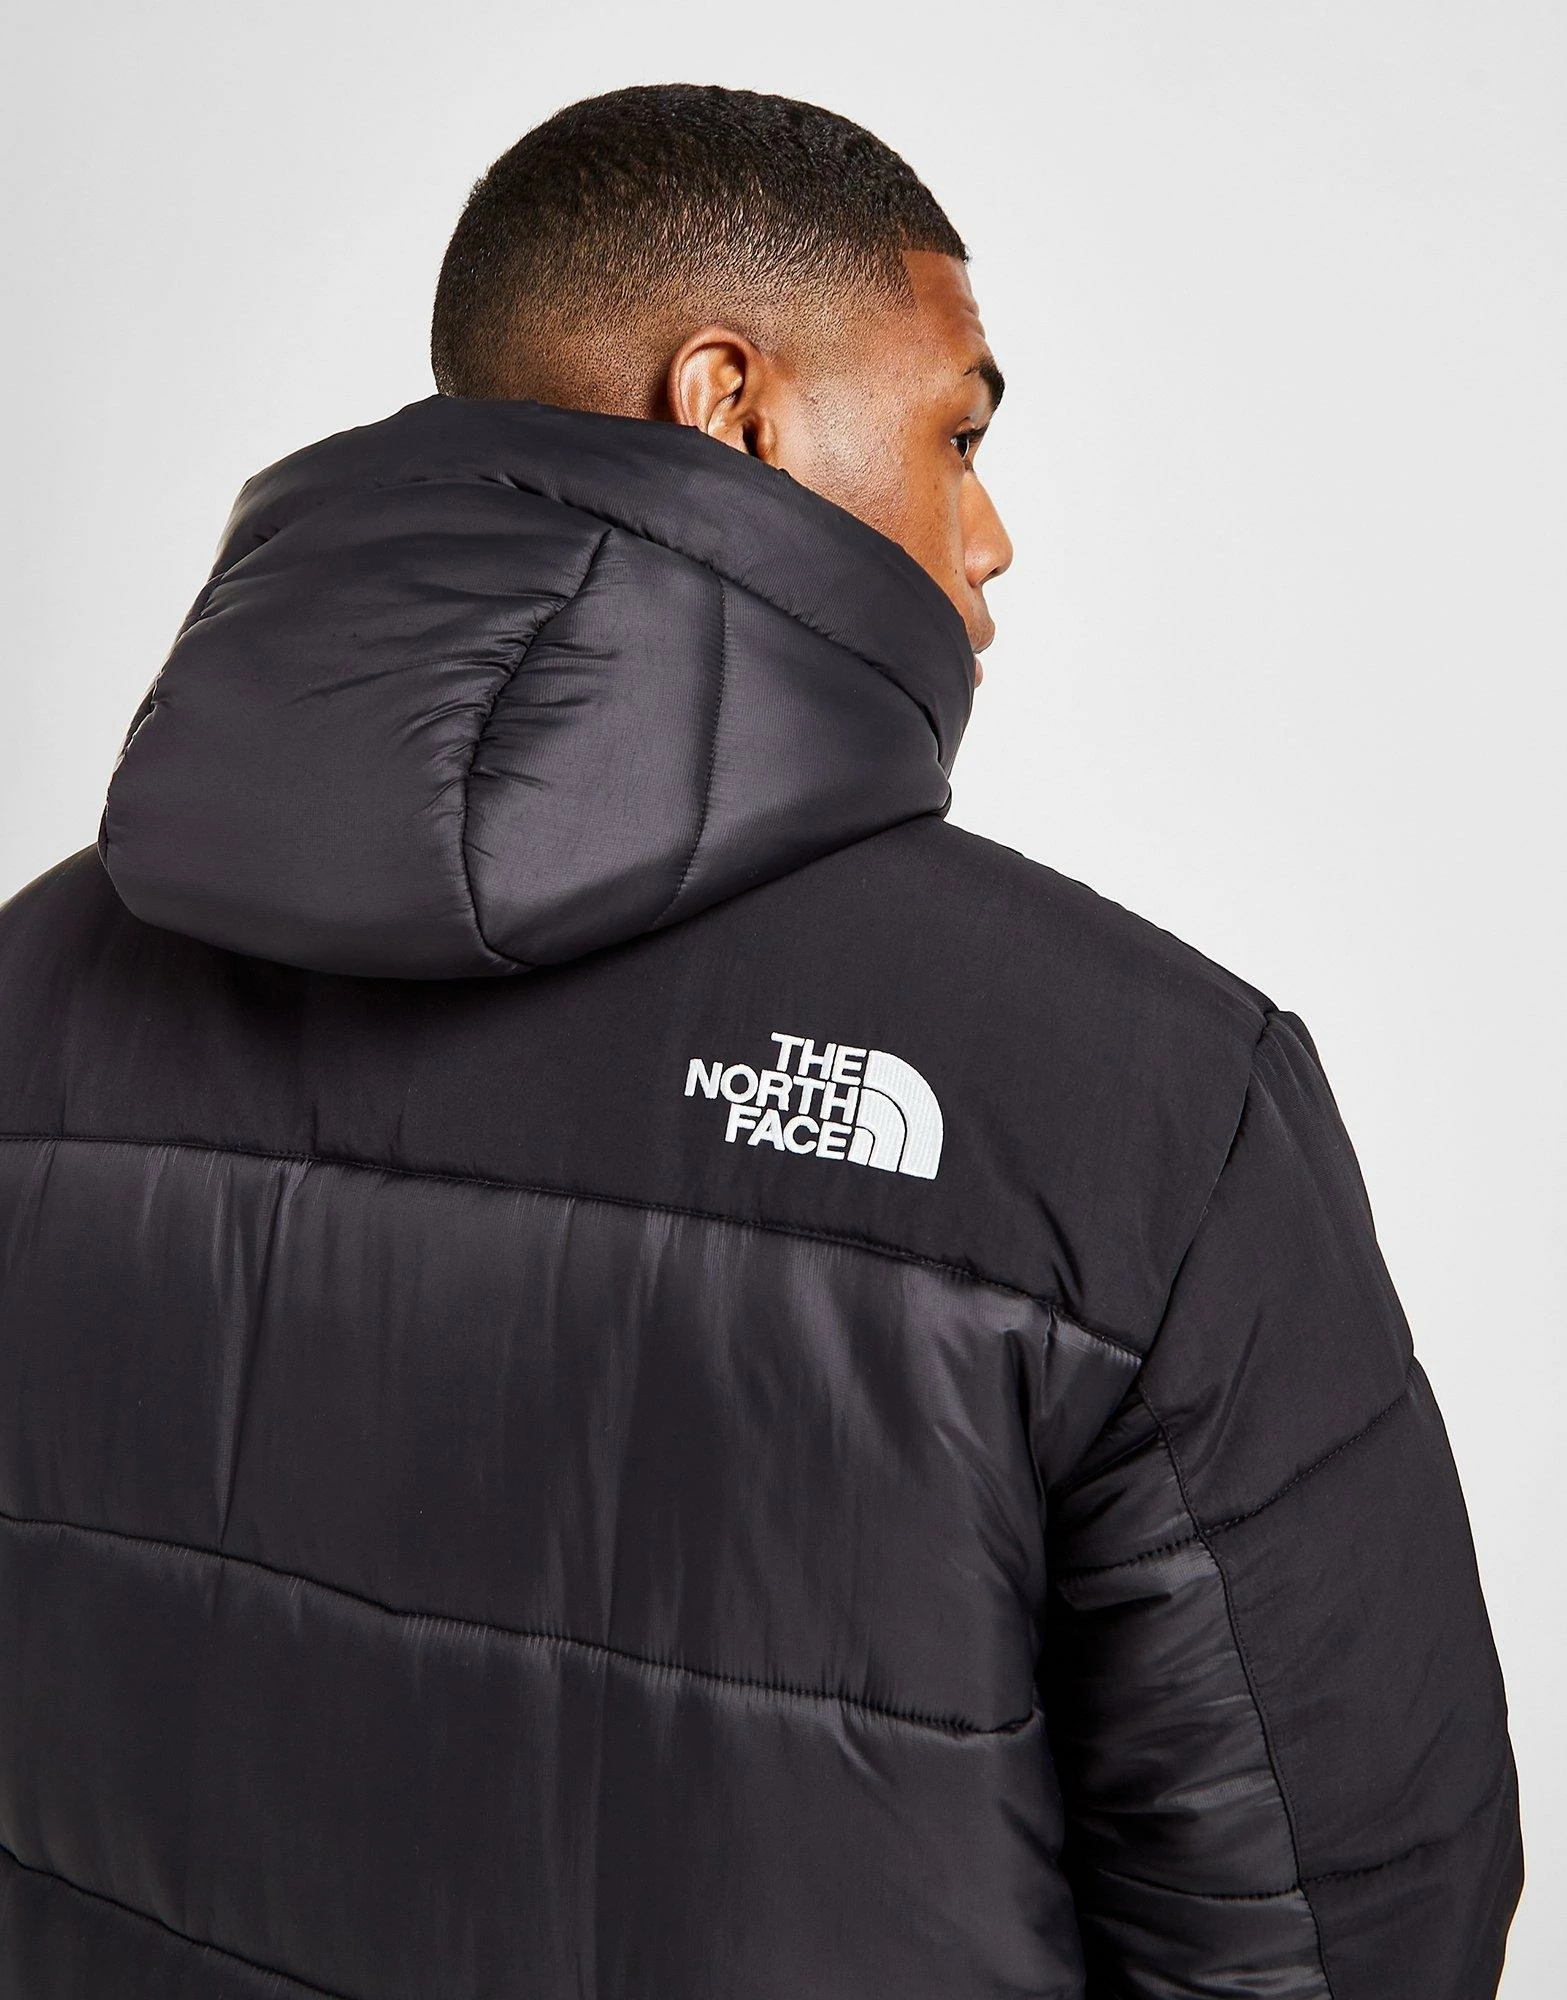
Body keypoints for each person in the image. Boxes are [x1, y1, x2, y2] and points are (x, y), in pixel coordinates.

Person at [0, 83, 1521, 2000]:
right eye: (958, 433)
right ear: (730, 404)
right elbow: (1339, 1936)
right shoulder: (1134, 1096)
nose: (991, 535)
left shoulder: (30, 988)